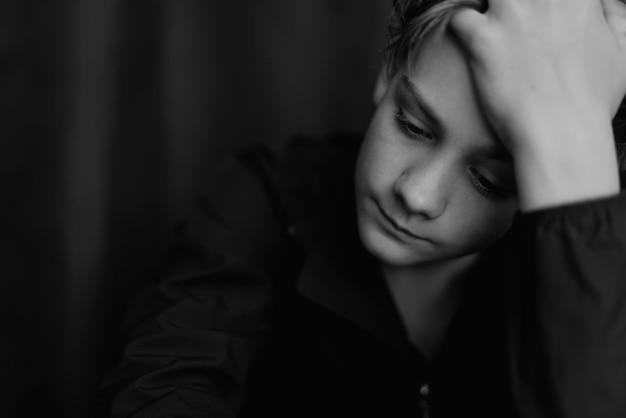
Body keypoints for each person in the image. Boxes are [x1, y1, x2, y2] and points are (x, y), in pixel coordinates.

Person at [100, 0, 626, 417]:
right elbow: (166, 385)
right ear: (385, 77)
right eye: (414, 126)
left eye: (490, 180)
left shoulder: (592, 270)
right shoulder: (265, 201)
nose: (417, 195)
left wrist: (572, 142)